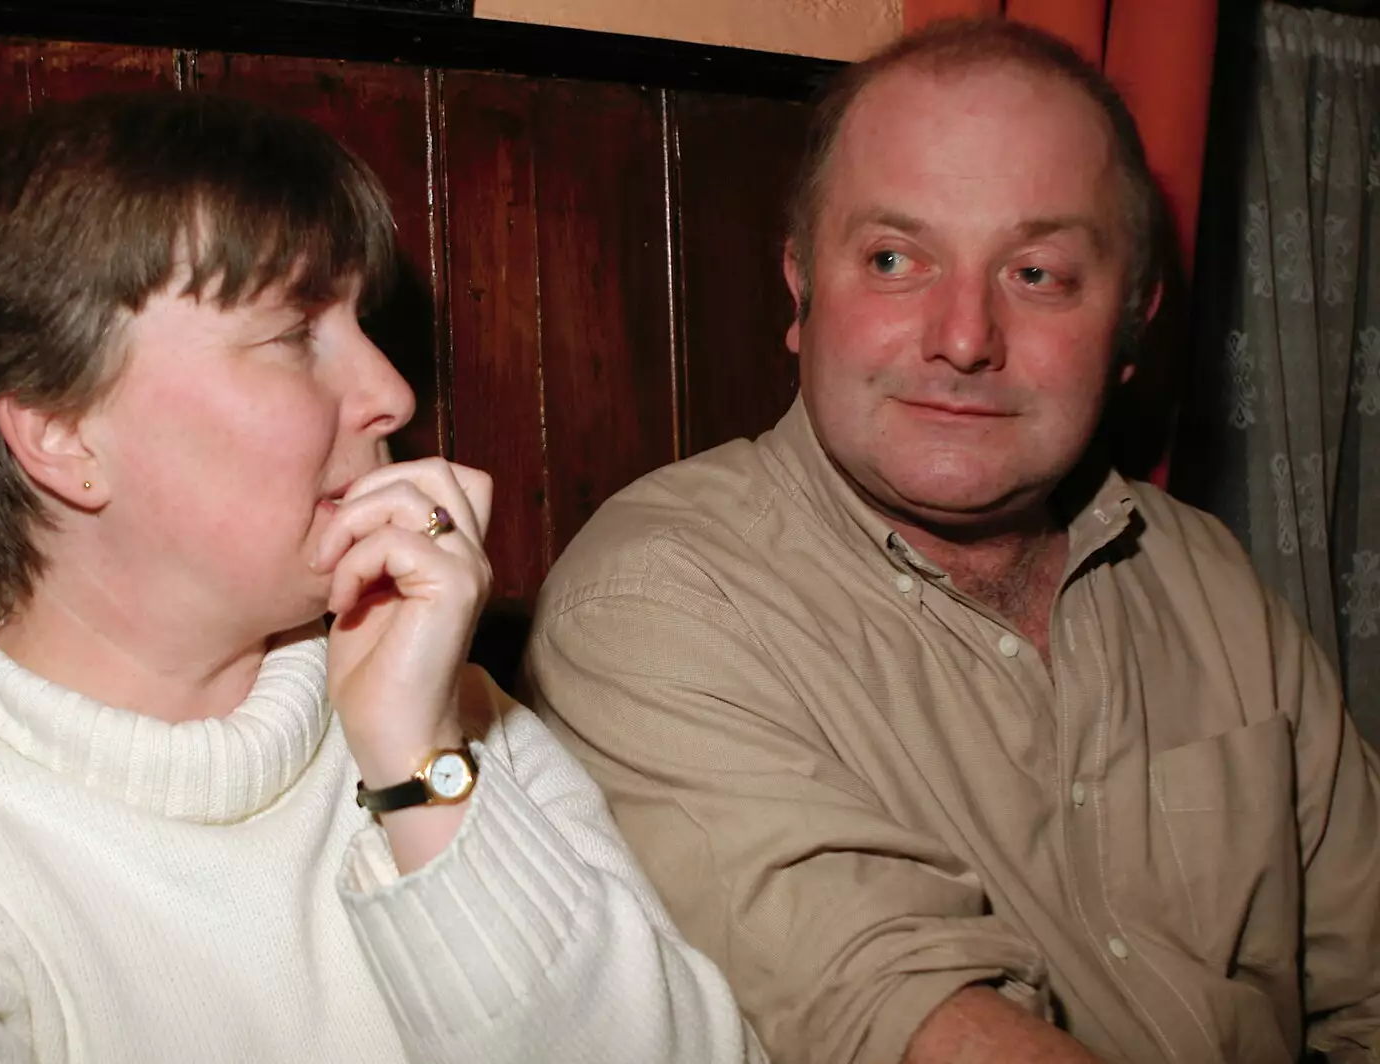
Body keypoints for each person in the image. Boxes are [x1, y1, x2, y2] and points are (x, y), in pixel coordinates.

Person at [0, 91, 766, 1064]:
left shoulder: (448, 713)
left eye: (358, 321)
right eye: (295, 333)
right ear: (61, 430)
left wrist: (416, 764)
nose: (391, 393)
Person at [525, 18, 1380, 1064]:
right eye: (894, 258)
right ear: (801, 291)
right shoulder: (656, 600)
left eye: (1037, 273)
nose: (964, 337)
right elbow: (906, 1019)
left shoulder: (1207, 577)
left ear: (1130, 326)